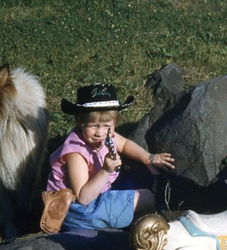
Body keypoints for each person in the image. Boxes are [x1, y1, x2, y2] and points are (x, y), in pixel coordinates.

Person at [42, 83, 175, 232]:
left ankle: (131, 223)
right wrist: (105, 170)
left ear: (114, 123)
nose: (100, 132)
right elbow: (83, 197)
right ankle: (139, 229)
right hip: (79, 211)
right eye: (93, 125)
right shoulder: (75, 154)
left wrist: (147, 158)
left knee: (143, 178)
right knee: (147, 197)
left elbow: (124, 145)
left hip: (98, 194)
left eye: (107, 126)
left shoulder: (106, 134)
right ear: (80, 122)